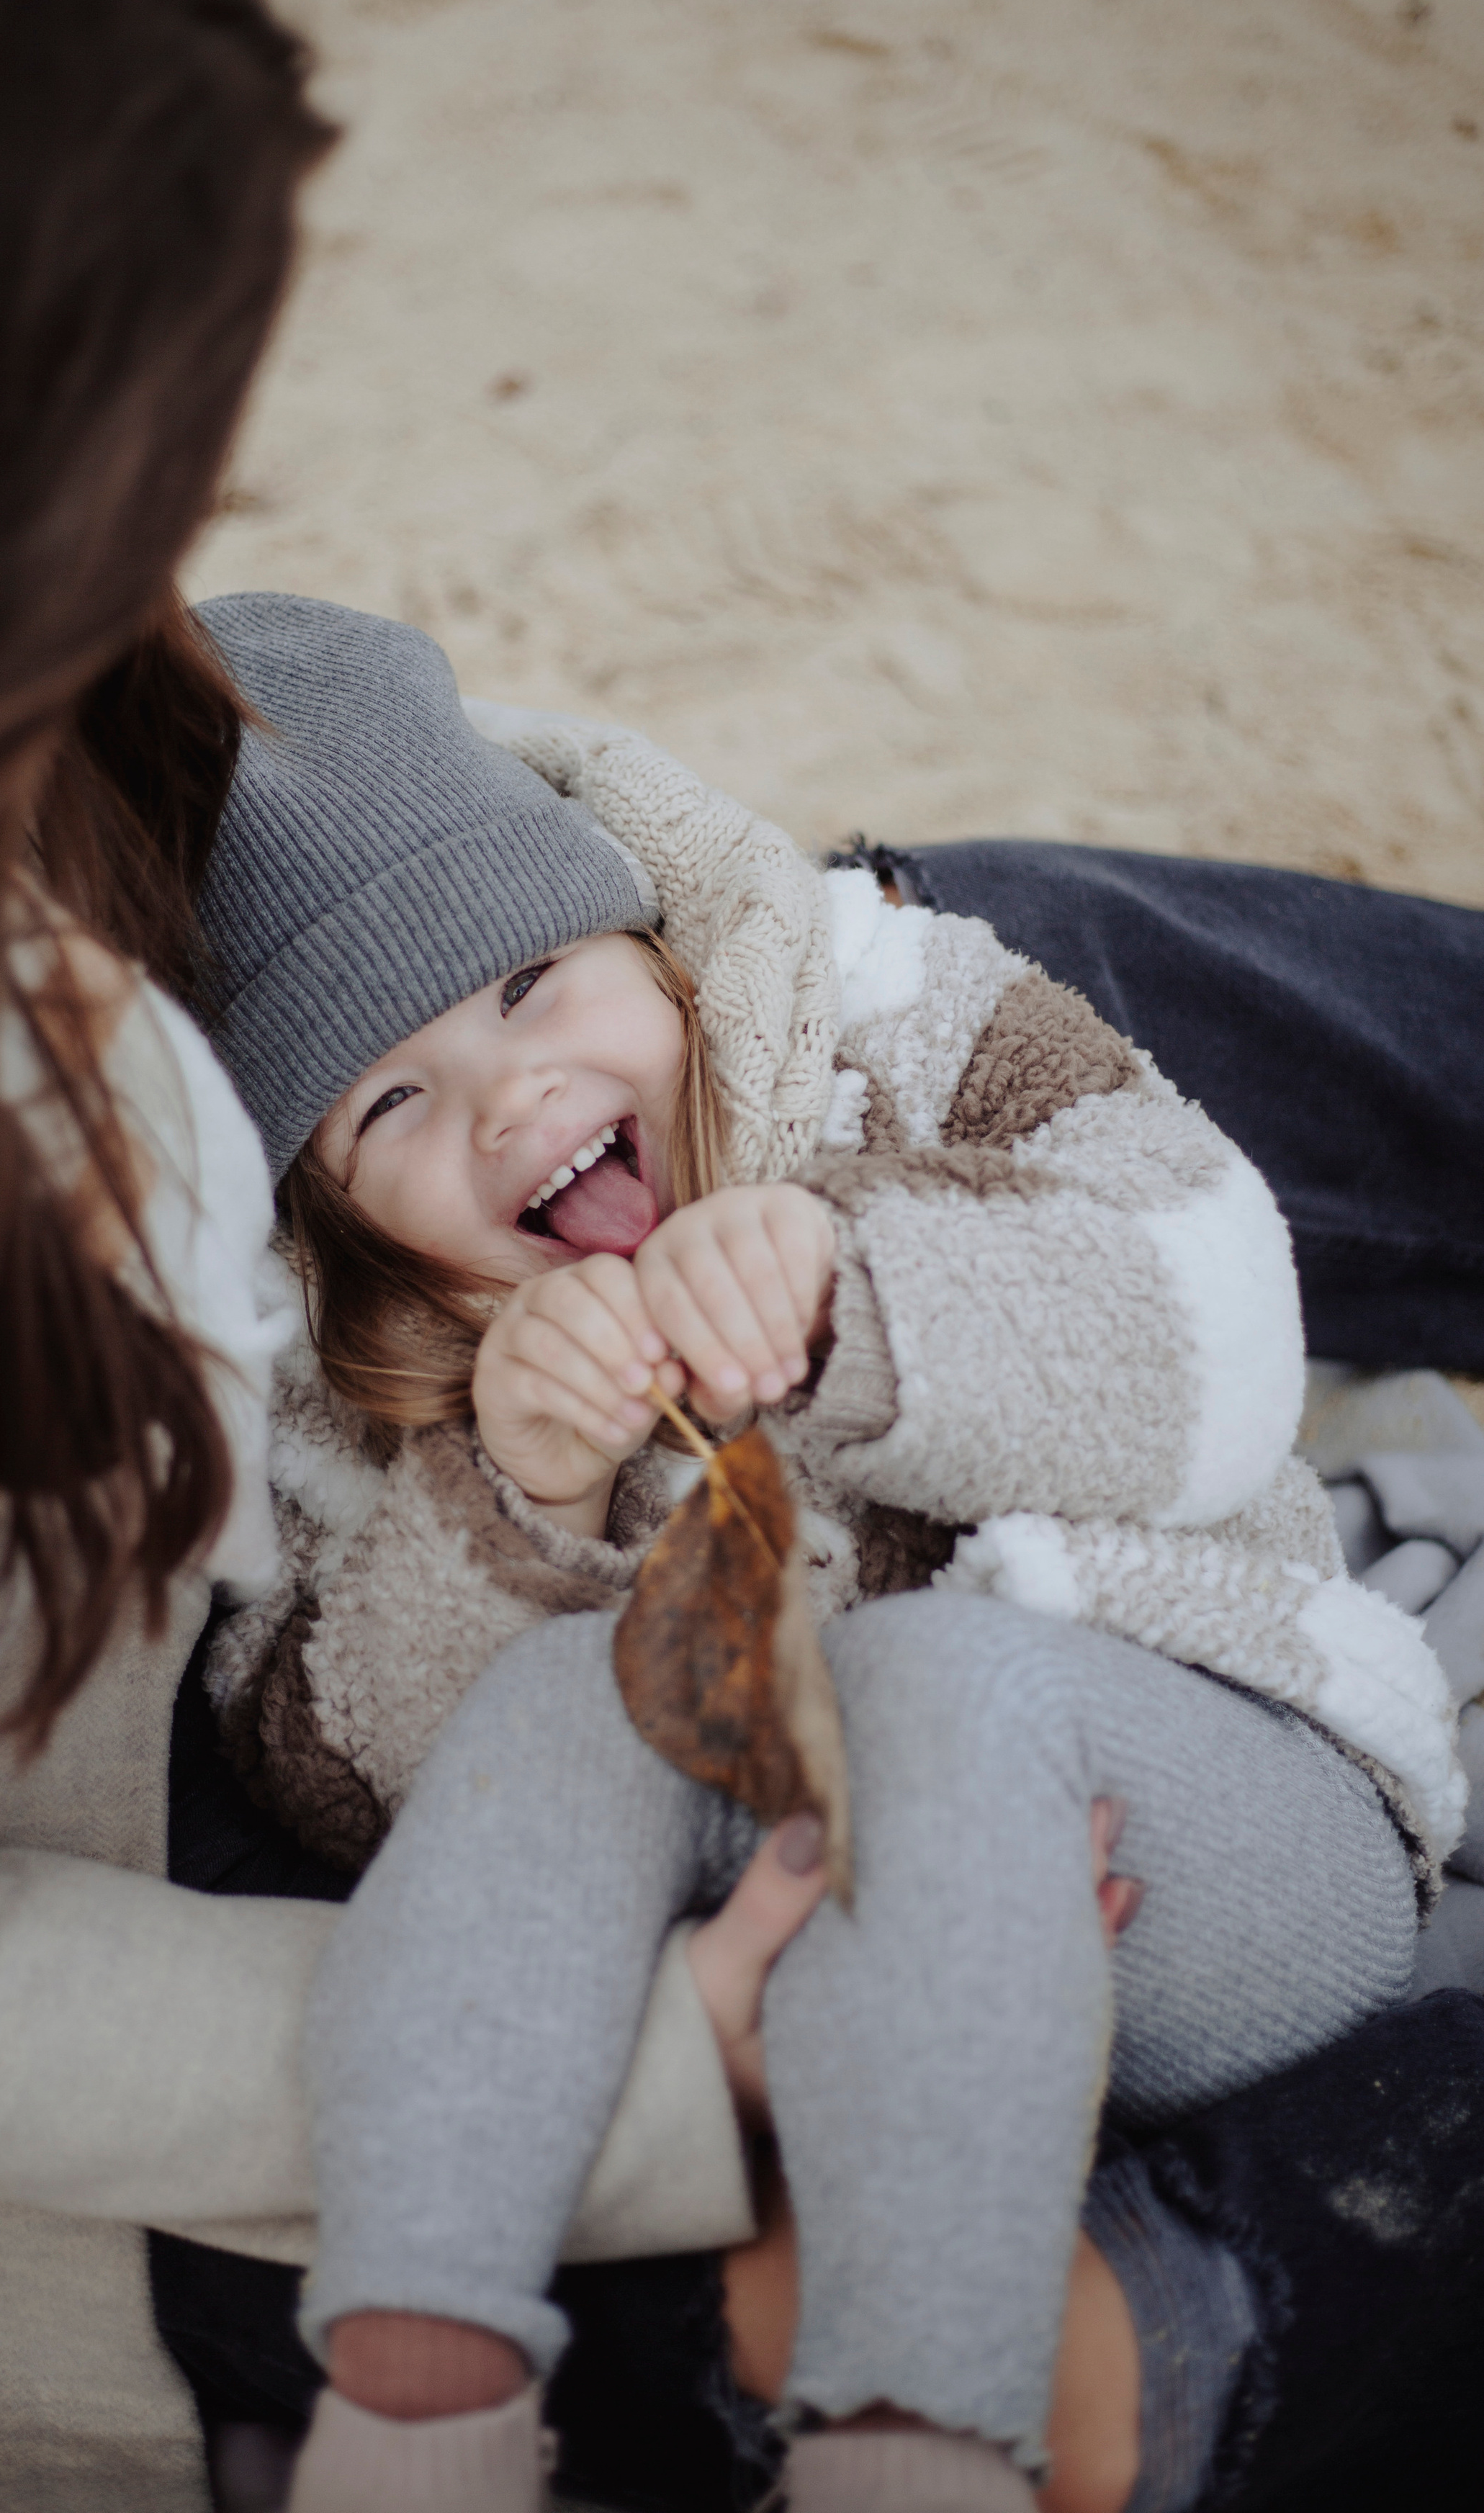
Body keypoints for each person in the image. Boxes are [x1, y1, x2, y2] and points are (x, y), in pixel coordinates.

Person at [0, 0, 780, 2509]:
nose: (182, 511)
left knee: (1098, 949)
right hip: (105, 2088)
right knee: (1107, 2238)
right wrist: (652, 2070)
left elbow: (354, 766)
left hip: (267, 1497)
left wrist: (689, 954)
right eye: (124, 458)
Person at [176, 596, 1457, 2512]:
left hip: (1215, 1817)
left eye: (535, 981)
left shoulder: (893, 1024)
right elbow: (331, 1775)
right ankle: (418, 2383)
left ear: (650, 941)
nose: (513, 1097)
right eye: (391, 1102)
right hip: (807, 1991)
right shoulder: (360, 1391)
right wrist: (510, 1498)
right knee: (544, 1711)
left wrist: (857, 1300)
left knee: (929, 1669)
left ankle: (917, 2434)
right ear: (330, 1211)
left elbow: (1216, 1324)